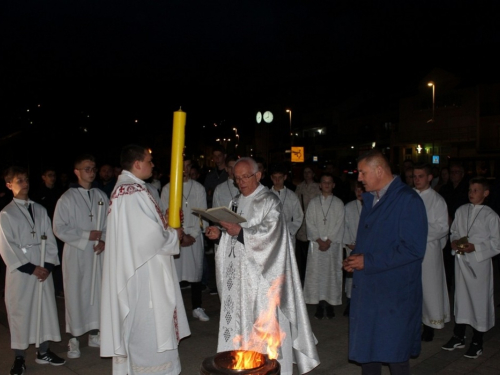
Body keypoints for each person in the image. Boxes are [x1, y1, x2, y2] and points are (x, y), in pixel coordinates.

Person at [205, 157, 320, 375]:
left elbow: (272, 236)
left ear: (258, 175)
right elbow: (233, 238)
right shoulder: (234, 202)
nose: (240, 182)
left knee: (264, 331)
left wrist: (240, 233)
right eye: (236, 178)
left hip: (263, 281)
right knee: (243, 330)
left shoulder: (269, 201)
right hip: (240, 281)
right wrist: (219, 235)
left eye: (245, 177)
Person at [100, 144, 190, 375]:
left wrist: (166, 225)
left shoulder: (132, 188)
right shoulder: (131, 192)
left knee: (147, 322)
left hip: (143, 266)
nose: (152, 164)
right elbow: (147, 238)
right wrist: (173, 234)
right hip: (143, 271)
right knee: (148, 324)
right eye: (149, 161)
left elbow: (146, 228)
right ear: (137, 164)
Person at [343, 149, 427, 375]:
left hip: (393, 293)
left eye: (363, 172)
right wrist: (355, 260)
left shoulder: (408, 200)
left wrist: (367, 261)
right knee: (368, 352)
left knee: (394, 353)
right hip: (370, 290)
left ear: (379, 170)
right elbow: (370, 240)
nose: (359, 178)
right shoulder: (373, 199)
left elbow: (413, 249)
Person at [0, 166, 65, 375]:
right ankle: (19, 357)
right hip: (22, 273)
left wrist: (46, 266)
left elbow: (50, 239)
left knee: (44, 310)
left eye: (26, 179)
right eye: (19, 181)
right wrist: (31, 268)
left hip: (42, 269)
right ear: (9, 185)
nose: (25, 184)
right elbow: (7, 246)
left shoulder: (39, 209)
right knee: (21, 313)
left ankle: (43, 350)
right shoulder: (6, 213)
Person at [53, 154, 109, 359]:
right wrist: (86, 235)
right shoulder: (67, 198)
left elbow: (110, 223)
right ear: (76, 172)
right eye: (87, 168)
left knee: (97, 293)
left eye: (93, 168)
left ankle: (95, 334)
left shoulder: (101, 196)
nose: (92, 172)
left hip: (97, 253)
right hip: (77, 254)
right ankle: (74, 339)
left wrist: (105, 241)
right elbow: (59, 228)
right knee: (76, 294)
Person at [442, 177, 500, 359]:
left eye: (476, 190)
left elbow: (496, 243)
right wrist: (453, 241)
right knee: (462, 299)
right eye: (470, 190)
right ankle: (458, 335)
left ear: (486, 193)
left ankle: (477, 340)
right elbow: (455, 231)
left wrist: (476, 247)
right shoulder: (461, 210)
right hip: (461, 262)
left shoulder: (491, 216)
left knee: (478, 301)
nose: (471, 193)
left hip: (479, 265)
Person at [161, 158, 210, 321]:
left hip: (194, 237)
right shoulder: (168, 189)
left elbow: (202, 214)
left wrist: (193, 235)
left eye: (188, 167)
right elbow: (164, 213)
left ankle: (197, 306)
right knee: (175, 275)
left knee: (195, 273)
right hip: (176, 236)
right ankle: (174, 310)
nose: (185, 170)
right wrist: (178, 236)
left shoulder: (199, 188)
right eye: (182, 167)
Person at [413, 163, 450, 342]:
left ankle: (429, 324)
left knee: (429, 288)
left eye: (421, 176)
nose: (417, 179)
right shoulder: (408, 196)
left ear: (429, 177)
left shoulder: (437, 200)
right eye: (414, 176)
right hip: (409, 251)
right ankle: (413, 322)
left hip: (428, 250)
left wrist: (419, 232)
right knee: (412, 287)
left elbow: (442, 227)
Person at [303, 173, 345, 320]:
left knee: (331, 275)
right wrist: (319, 240)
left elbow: (340, 223)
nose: (326, 185)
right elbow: (309, 221)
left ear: (333, 185)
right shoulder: (314, 203)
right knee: (316, 275)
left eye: (329, 182)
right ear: (320, 185)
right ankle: (320, 304)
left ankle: (330, 303)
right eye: (324, 182)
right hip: (317, 245)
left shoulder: (339, 203)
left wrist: (329, 240)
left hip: (332, 247)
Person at [31, 166, 65, 298]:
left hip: (58, 232)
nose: (52, 178)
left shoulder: (60, 193)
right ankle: (50, 288)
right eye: (49, 175)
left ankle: (59, 288)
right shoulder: (37, 194)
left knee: (58, 260)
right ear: (43, 177)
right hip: (45, 232)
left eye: (54, 175)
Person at [294, 165, 320, 285]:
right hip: (301, 224)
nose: (307, 174)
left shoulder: (317, 187)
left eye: (309, 172)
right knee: (301, 254)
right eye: (305, 172)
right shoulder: (299, 187)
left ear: (313, 174)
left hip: (314, 222)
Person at [342, 180, 364, 317]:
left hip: (367, 249)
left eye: (362, 190)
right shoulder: (348, 207)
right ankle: (350, 301)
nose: (359, 192)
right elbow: (344, 226)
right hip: (352, 246)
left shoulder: (373, 206)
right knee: (351, 275)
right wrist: (349, 242)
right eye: (357, 190)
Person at [270, 163, 303, 239]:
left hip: (288, 233)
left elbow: (298, 216)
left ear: (285, 177)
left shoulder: (292, 195)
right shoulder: (266, 195)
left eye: (280, 177)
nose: (277, 180)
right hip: (271, 234)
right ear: (271, 178)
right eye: (275, 177)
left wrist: (290, 231)